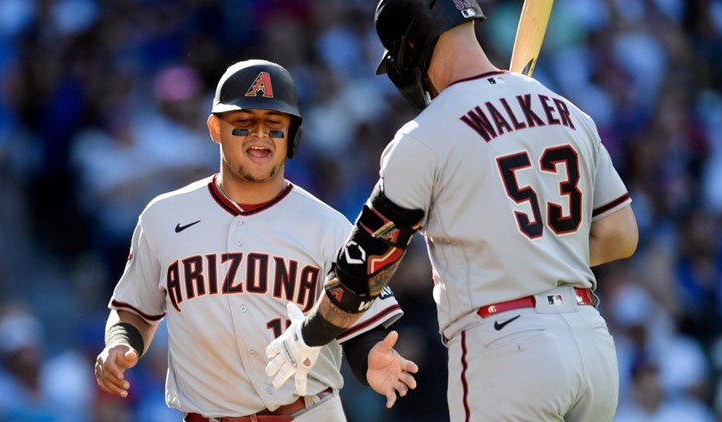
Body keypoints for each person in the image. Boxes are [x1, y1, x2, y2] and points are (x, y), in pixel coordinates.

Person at [265, 2, 639, 422]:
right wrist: (536, 257)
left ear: (409, 48)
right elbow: (620, 235)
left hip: (507, 350)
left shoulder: (426, 136)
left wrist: (308, 336)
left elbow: (361, 274)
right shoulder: (569, 111)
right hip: (592, 344)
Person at [94, 59, 419, 422]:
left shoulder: (328, 225)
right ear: (216, 128)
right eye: (244, 123)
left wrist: (370, 356)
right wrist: (120, 344)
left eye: (274, 124)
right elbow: (133, 312)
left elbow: (359, 322)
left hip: (308, 412)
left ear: (292, 134)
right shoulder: (163, 218)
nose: (260, 135)